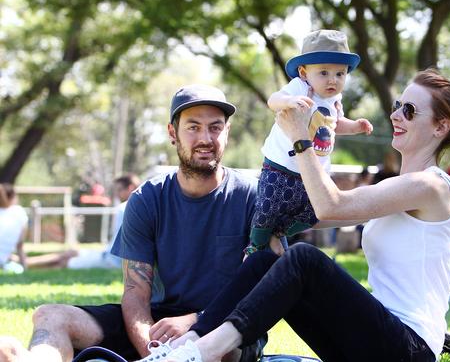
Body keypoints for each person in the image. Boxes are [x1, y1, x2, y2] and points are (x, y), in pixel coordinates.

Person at [155, 68, 450, 362]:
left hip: (409, 350)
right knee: (268, 261)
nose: (396, 115)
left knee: (304, 259)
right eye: (396, 105)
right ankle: (190, 342)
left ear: (440, 127)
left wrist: (301, 137)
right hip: (370, 344)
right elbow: (316, 212)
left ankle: (204, 353)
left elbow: (332, 205)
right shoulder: (399, 189)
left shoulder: (431, 186)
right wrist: (268, 225)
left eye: (409, 110)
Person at [0, 84, 264, 362]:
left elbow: (261, 290)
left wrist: (196, 321)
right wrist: (152, 352)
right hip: (159, 326)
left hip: (224, 327)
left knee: (218, 351)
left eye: (215, 127)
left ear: (227, 132)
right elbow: (136, 293)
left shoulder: (253, 196)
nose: (205, 138)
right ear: (172, 133)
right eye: (193, 127)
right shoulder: (146, 198)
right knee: (50, 316)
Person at [248, 29, 373, 254]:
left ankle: (280, 232)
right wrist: (289, 100)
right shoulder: (300, 87)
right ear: (304, 72)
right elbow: (272, 100)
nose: (332, 80)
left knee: (316, 211)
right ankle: (255, 245)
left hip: (314, 173)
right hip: (281, 166)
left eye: (340, 74)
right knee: (267, 207)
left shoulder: (335, 99)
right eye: (324, 73)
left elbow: (333, 124)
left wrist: (355, 127)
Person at [66, 174, 141, 269]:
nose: (117, 194)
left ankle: (40, 268)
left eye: (119, 190)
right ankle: (40, 265)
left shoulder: (124, 208)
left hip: (112, 261)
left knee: (67, 261)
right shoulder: (140, 208)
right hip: (107, 255)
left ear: (131, 188)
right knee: (70, 253)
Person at [0, 183, 77, 273]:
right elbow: (19, 246)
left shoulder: (16, 212)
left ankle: (60, 259)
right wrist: (24, 268)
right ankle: (60, 259)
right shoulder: (18, 212)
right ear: (13, 197)